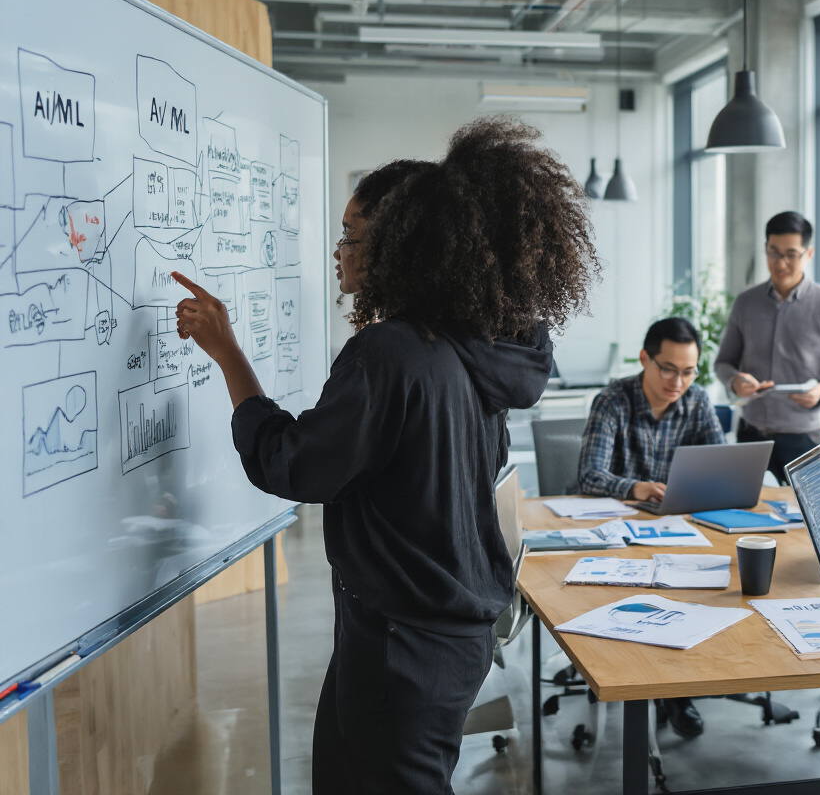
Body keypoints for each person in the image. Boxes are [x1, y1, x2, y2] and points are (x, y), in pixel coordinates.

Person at [172, 117, 599, 794]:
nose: (339, 252)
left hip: (407, 645)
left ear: (402, 247)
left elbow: (295, 464)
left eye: (352, 236)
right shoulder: (471, 347)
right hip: (434, 631)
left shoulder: (392, 355)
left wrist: (228, 356)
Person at [575, 316, 724, 736]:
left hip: (681, 533)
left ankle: (678, 686)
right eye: (668, 369)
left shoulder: (697, 402)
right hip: (616, 537)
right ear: (645, 359)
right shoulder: (612, 401)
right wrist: (635, 487)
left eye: (689, 371)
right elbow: (589, 476)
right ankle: (658, 688)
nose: (678, 381)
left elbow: (723, 469)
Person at [714, 211, 820, 480]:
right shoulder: (746, 303)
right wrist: (735, 381)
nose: (780, 263)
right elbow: (723, 362)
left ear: (808, 254)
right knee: (744, 514)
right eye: (773, 252)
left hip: (804, 436)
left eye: (791, 254)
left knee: (816, 518)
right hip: (752, 434)